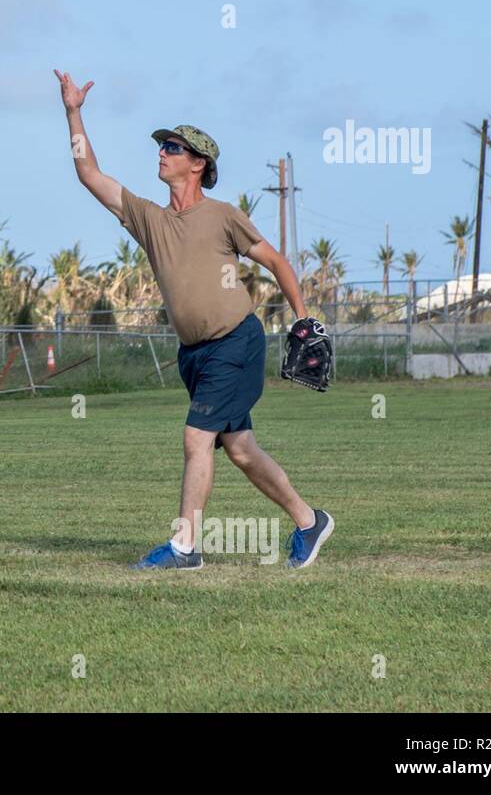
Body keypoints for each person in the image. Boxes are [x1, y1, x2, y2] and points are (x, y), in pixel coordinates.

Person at [55, 69, 335, 569]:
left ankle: (185, 547)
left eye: (173, 148)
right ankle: (310, 522)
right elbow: (89, 175)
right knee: (242, 450)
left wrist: (304, 319)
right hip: (194, 354)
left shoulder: (223, 215)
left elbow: (276, 262)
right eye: (162, 146)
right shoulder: (149, 218)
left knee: (195, 437)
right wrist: (73, 111)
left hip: (236, 342)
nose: (161, 152)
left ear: (199, 164)